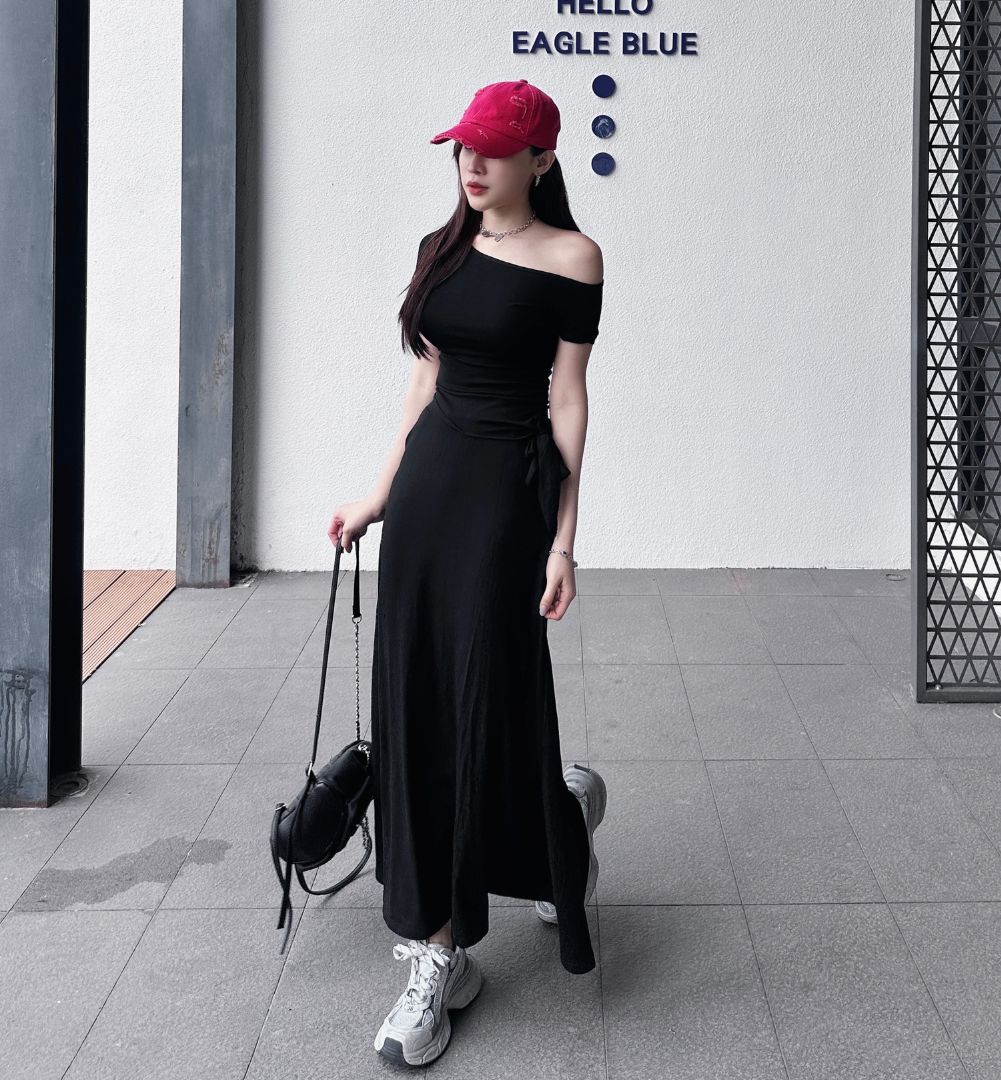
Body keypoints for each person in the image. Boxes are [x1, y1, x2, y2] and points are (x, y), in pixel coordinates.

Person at [327, 78, 607, 1068]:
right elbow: (424, 381)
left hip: (506, 500)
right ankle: (444, 944)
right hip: (429, 495)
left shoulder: (574, 257)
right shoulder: (438, 249)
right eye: (462, 147)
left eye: (493, 149)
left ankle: (533, 843)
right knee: (418, 703)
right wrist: (376, 497)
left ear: (542, 159)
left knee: (484, 695)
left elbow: (568, 400)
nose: (472, 164)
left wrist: (564, 539)